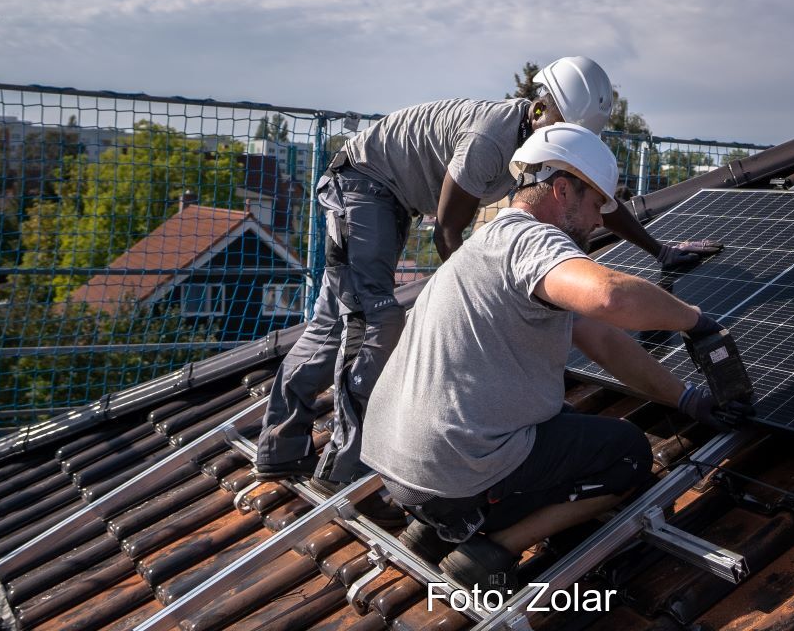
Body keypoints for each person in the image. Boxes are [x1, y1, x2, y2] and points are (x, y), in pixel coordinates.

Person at [253, 56, 722, 486]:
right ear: (541, 110)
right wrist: (469, 307)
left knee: (331, 322)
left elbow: (596, 198)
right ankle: (345, 467)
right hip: (363, 185)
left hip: (389, 197)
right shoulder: (490, 139)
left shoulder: (543, 151)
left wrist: (659, 252)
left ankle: (279, 446)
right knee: (375, 320)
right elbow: (448, 230)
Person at [360, 123, 749, 591]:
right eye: (593, 205)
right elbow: (607, 297)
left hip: (400, 463)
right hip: (451, 465)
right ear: (562, 190)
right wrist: (694, 320)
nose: (598, 220)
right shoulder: (532, 241)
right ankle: (491, 551)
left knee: (558, 417)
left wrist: (687, 399)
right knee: (625, 453)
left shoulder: (487, 244)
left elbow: (601, 338)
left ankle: (441, 523)